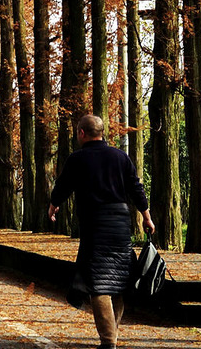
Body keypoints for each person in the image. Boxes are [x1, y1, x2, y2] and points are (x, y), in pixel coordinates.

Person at [48, 114, 155, 349]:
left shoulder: (78, 159)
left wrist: (54, 204)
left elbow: (63, 185)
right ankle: (112, 337)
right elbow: (136, 188)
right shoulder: (120, 157)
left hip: (94, 224)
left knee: (97, 284)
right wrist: (146, 217)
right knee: (117, 281)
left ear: (82, 133)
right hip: (119, 224)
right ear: (102, 133)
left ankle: (109, 342)